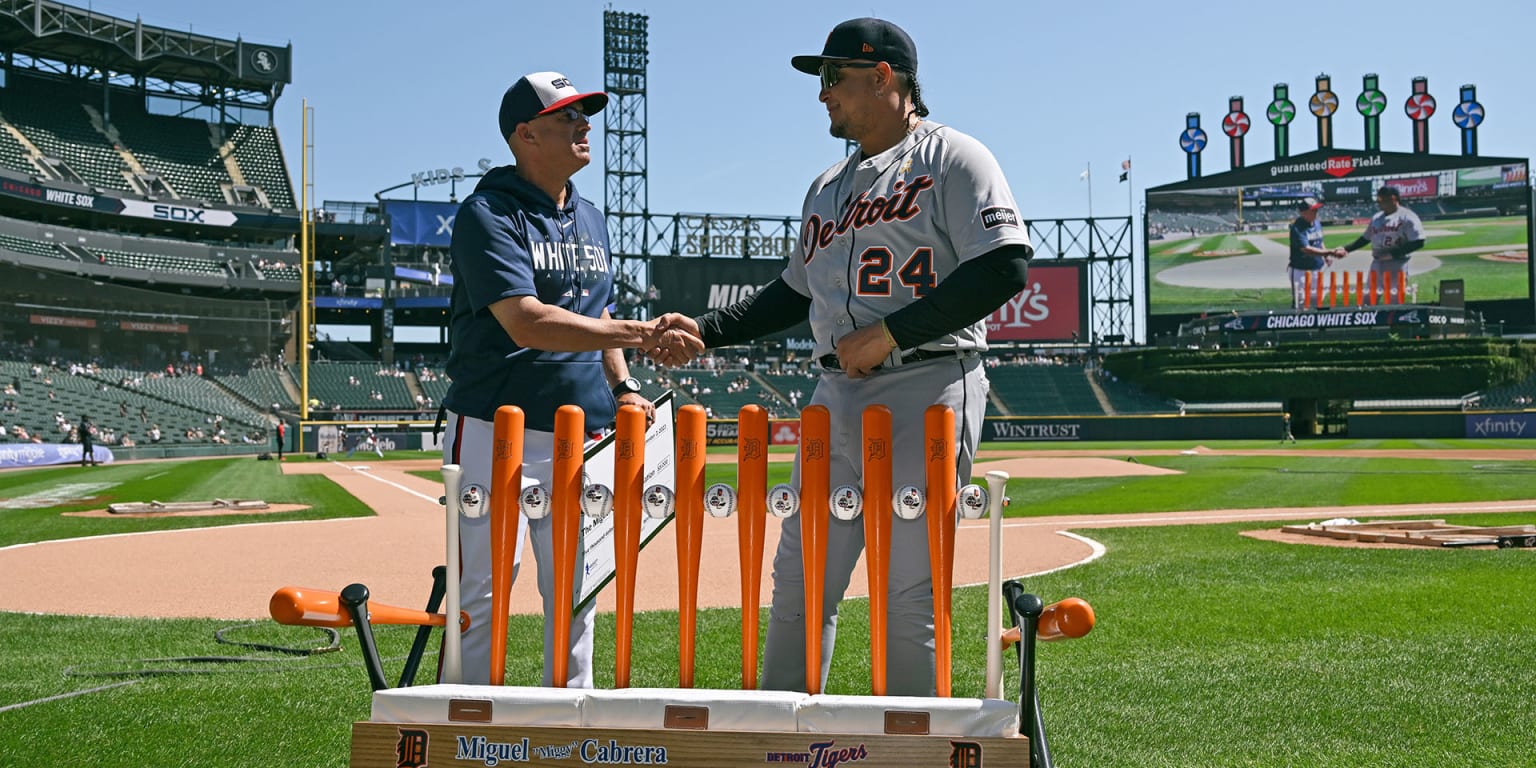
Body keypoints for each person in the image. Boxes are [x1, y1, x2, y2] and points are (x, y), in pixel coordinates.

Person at [654, 18, 1032, 697]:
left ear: (883, 76)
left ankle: (912, 745)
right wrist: (706, 331)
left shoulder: (955, 157)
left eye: (832, 78)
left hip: (931, 387)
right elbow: (792, 293)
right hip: (836, 400)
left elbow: (1004, 267)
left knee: (909, 586)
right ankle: (782, 741)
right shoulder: (827, 186)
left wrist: (891, 334)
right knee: (799, 583)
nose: (821, 95)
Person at [441, 70, 691, 687]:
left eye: (585, 116)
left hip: (581, 435)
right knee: (483, 589)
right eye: (567, 118)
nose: (585, 127)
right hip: (493, 429)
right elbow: (527, 322)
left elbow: (596, 311)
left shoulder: (592, 217)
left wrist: (626, 383)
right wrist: (641, 332)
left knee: (578, 592)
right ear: (525, 135)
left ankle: (569, 719)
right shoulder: (487, 213)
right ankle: (473, 721)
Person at [1339, 185, 1425, 281]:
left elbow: (1418, 242)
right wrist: (1346, 249)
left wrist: (1392, 254)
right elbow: (1365, 238)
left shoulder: (1407, 216)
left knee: (1394, 295)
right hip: (1377, 263)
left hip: (1398, 263)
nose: (1378, 202)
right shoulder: (1376, 217)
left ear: (1392, 198)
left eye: (1381, 199)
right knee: (1369, 296)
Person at [1287, 197, 1344, 309]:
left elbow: (1319, 241)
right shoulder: (1297, 228)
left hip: (1317, 269)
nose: (1316, 212)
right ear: (1303, 213)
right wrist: (1331, 252)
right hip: (1300, 271)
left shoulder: (1317, 223)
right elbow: (1306, 249)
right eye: (1313, 210)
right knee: (1301, 303)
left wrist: (1326, 256)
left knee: (1318, 301)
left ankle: (1318, 325)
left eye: (1316, 209)